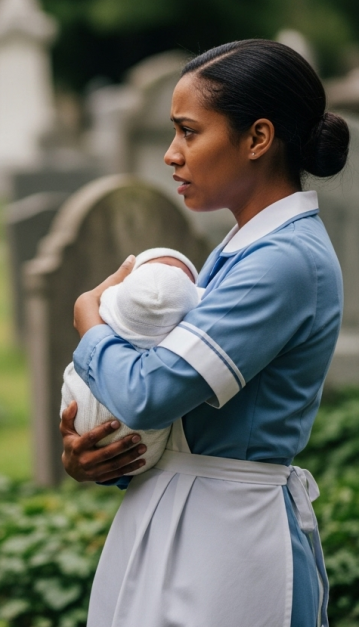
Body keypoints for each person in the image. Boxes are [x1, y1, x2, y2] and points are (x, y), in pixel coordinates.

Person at [60, 39, 349, 626]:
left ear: (257, 139)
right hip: (183, 514)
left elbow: (151, 393)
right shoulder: (241, 248)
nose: (171, 154)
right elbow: (173, 418)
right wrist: (106, 454)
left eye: (189, 132)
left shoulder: (285, 260)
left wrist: (89, 321)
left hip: (233, 540)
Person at [60, 248, 202, 475]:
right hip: (148, 457)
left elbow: (139, 401)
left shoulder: (106, 313)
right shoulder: (188, 335)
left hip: (163, 464)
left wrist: (87, 316)